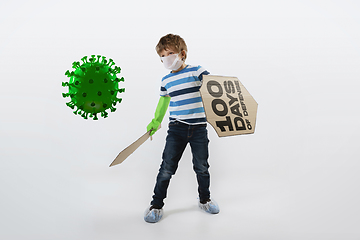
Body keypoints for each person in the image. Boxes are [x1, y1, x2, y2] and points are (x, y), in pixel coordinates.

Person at [144, 33, 219, 223]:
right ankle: (156, 205)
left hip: (199, 128)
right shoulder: (166, 81)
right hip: (176, 129)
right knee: (166, 168)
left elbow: (214, 88)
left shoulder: (197, 71)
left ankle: (205, 199)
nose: (165, 58)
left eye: (169, 53)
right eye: (162, 55)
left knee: (202, 167)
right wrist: (155, 121)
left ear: (182, 53)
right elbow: (163, 103)